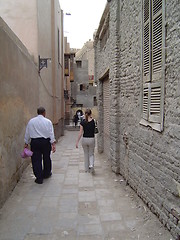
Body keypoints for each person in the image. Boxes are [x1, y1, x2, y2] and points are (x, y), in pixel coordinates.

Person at [24, 107, 56, 184]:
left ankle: (39, 177)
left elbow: (28, 132)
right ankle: (47, 173)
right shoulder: (48, 121)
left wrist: (26, 142)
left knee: (36, 159)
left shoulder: (31, 121)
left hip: (35, 142)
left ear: (37, 112)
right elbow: (51, 133)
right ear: (44, 112)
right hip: (45, 142)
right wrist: (53, 143)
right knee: (46, 158)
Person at [76, 108, 96, 173]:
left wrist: (77, 142)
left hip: (84, 139)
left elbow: (80, 133)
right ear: (91, 113)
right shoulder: (94, 121)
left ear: (85, 114)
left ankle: (86, 169)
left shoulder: (82, 122)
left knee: (86, 154)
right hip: (91, 139)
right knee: (91, 153)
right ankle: (91, 165)